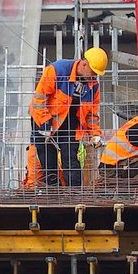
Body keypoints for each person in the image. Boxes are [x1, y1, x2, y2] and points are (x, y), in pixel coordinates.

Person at [29, 48, 106, 188]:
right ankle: (53, 197)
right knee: (49, 164)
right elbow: (38, 101)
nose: (94, 77)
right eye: (93, 72)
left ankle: (74, 198)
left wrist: (95, 134)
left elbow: (92, 114)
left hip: (70, 126)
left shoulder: (93, 86)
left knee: (71, 164)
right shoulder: (57, 70)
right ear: (84, 64)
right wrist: (45, 125)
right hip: (44, 123)